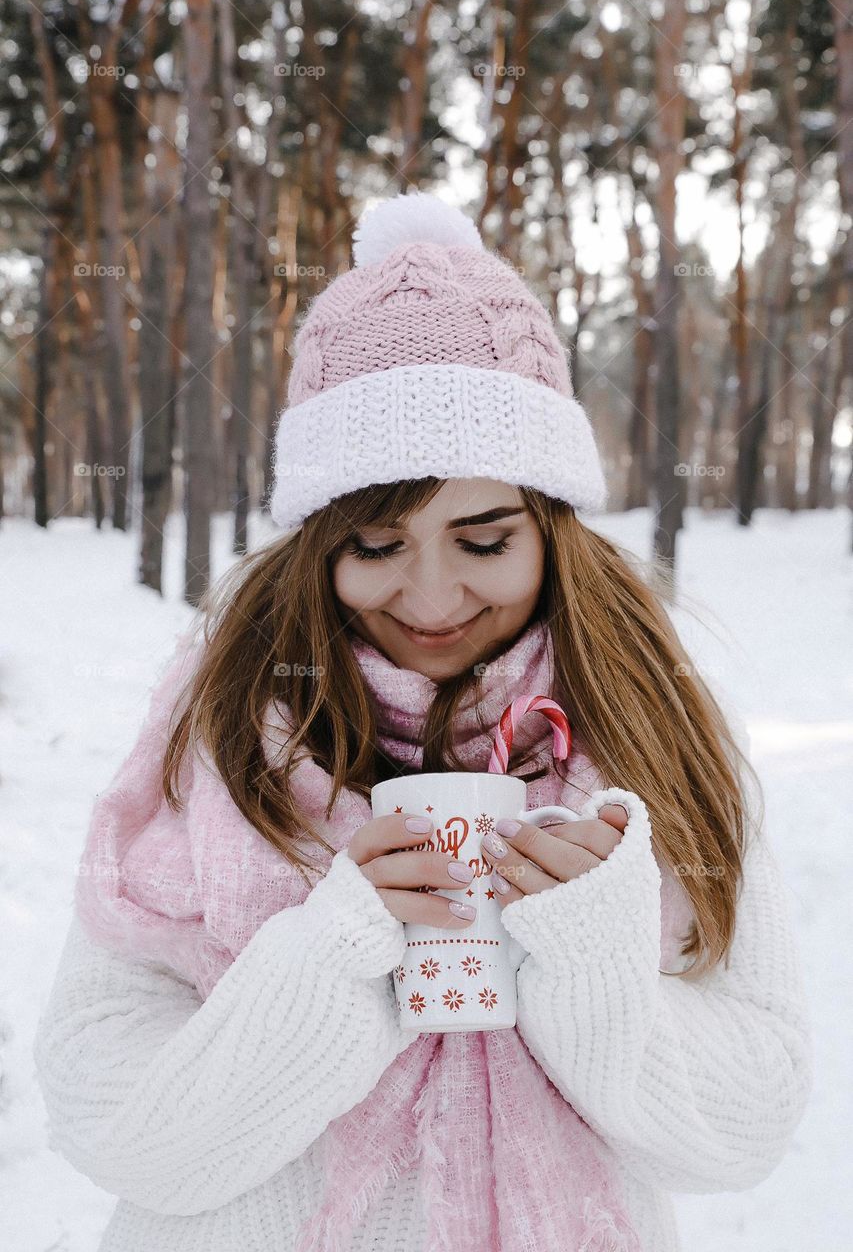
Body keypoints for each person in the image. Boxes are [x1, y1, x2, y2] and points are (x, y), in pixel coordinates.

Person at [34, 193, 813, 1252]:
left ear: (551, 531)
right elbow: (112, 1121)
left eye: (484, 540)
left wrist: (589, 967)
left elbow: (746, 1127)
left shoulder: (649, 737)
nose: (433, 598)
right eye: (377, 543)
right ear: (319, 543)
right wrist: (339, 953)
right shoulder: (219, 731)